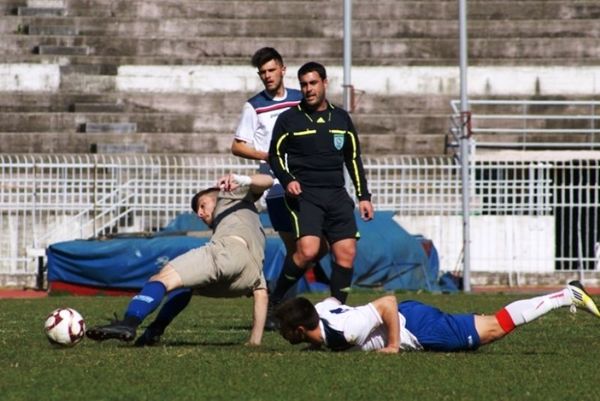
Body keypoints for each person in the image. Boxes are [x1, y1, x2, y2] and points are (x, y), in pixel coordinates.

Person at [86, 173, 274, 347]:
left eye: (202, 205)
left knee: (160, 279)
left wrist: (241, 179)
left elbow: (268, 180)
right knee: (183, 286)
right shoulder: (247, 214)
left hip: (226, 252)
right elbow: (261, 294)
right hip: (248, 277)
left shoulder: (229, 195)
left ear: (217, 194)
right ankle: (154, 331)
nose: (200, 214)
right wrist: (254, 342)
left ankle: (128, 322)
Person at [231, 48, 329, 327]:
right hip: (276, 186)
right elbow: (237, 146)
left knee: (314, 248)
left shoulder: (301, 99)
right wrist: (270, 155)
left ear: (283, 70)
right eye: (262, 72)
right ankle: (282, 310)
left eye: (271, 70)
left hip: (309, 183)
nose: (267, 76)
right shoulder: (254, 106)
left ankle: (276, 298)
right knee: (295, 248)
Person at [267, 61, 374, 313]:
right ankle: (276, 298)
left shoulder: (340, 118)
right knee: (308, 251)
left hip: (337, 195)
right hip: (306, 195)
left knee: (346, 253)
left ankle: (337, 311)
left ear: (324, 83)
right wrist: (288, 180)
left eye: (313, 83)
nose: (308, 89)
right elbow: (274, 156)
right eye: (303, 84)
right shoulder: (289, 119)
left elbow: (353, 158)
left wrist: (363, 197)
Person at [275, 280, 600, 353]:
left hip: (416, 328)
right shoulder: (319, 312)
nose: (284, 333)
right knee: (488, 323)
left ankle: (565, 295)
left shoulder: (347, 331)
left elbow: (387, 301)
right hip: (413, 317)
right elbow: (331, 300)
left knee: (495, 329)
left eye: (286, 329)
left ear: (300, 329)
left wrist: (391, 346)